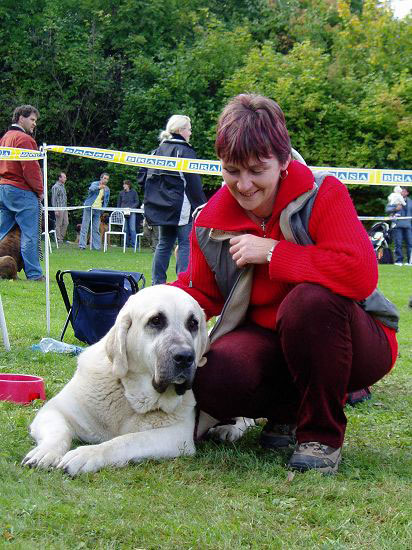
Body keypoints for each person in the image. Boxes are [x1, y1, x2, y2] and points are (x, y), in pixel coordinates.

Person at [172, 94, 398, 474]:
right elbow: (203, 293)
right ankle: (287, 412)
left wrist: (275, 253)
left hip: (352, 338)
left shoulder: (325, 193)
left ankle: (320, 437)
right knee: (212, 377)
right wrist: (150, 302)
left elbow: (360, 274)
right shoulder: (210, 221)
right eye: (231, 170)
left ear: (284, 162)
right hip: (270, 342)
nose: (243, 185)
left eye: (257, 170)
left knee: (307, 303)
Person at [140, 114, 206, 284]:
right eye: (189, 129)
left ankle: (157, 283)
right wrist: (201, 205)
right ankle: (182, 283)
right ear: (181, 130)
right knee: (184, 244)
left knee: (164, 244)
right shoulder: (185, 151)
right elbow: (193, 182)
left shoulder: (157, 150)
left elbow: (142, 176)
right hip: (180, 206)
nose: (190, 133)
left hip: (161, 206)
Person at [0, 104, 44, 281]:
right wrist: (40, 191)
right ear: (21, 118)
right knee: (30, 235)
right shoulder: (25, 140)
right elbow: (31, 169)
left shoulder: (5, 138)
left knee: (2, 231)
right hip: (22, 191)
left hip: (3, 189)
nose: (34, 124)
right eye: (32, 120)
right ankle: (34, 275)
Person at [78, 173, 110, 250]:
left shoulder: (107, 189)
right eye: (105, 178)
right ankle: (82, 246)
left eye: (107, 179)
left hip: (98, 210)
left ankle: (96, 247)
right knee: (85, 227)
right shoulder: (95, 184)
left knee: (96, 228)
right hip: (89, 207)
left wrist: (103, 209)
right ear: (101, 178)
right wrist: (99, 187)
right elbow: (91, 189)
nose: (106, 180)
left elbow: (106, 200)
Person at [386, 186, 412, 266]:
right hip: (397, 225)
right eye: (401, 191)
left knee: (410, 244)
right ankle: (399, 261)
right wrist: (395, 209)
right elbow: (387, 210)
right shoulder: (394, 199)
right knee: (398, 244)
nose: (402, 193)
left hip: (408, 225)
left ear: (407, 193)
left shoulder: (410, 201)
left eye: (404, 191)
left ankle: (410, 261)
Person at [117, 179, 139, 247]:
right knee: (125, 229)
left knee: (132, 229)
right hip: (123, 213)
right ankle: (126, 244)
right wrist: (119, 212)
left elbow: (137, 202)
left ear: (128, 185)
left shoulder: (134, 192)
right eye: (123, 184)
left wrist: (131, 208)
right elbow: (119, 204)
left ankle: (134, 244)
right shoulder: (121, 193)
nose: (123, 186)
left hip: (132, 212)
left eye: (125, 184)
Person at [51, 171, 69, 244]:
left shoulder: (63, 186)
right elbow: (53, 198)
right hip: (59, 207)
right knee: (59, 223)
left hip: (65, 207)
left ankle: (61, 237)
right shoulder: (55, 187)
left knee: (66, 222)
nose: (65, 179)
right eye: (64, 177)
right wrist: (55, 209)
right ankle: (58, 239)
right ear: (59, 178)